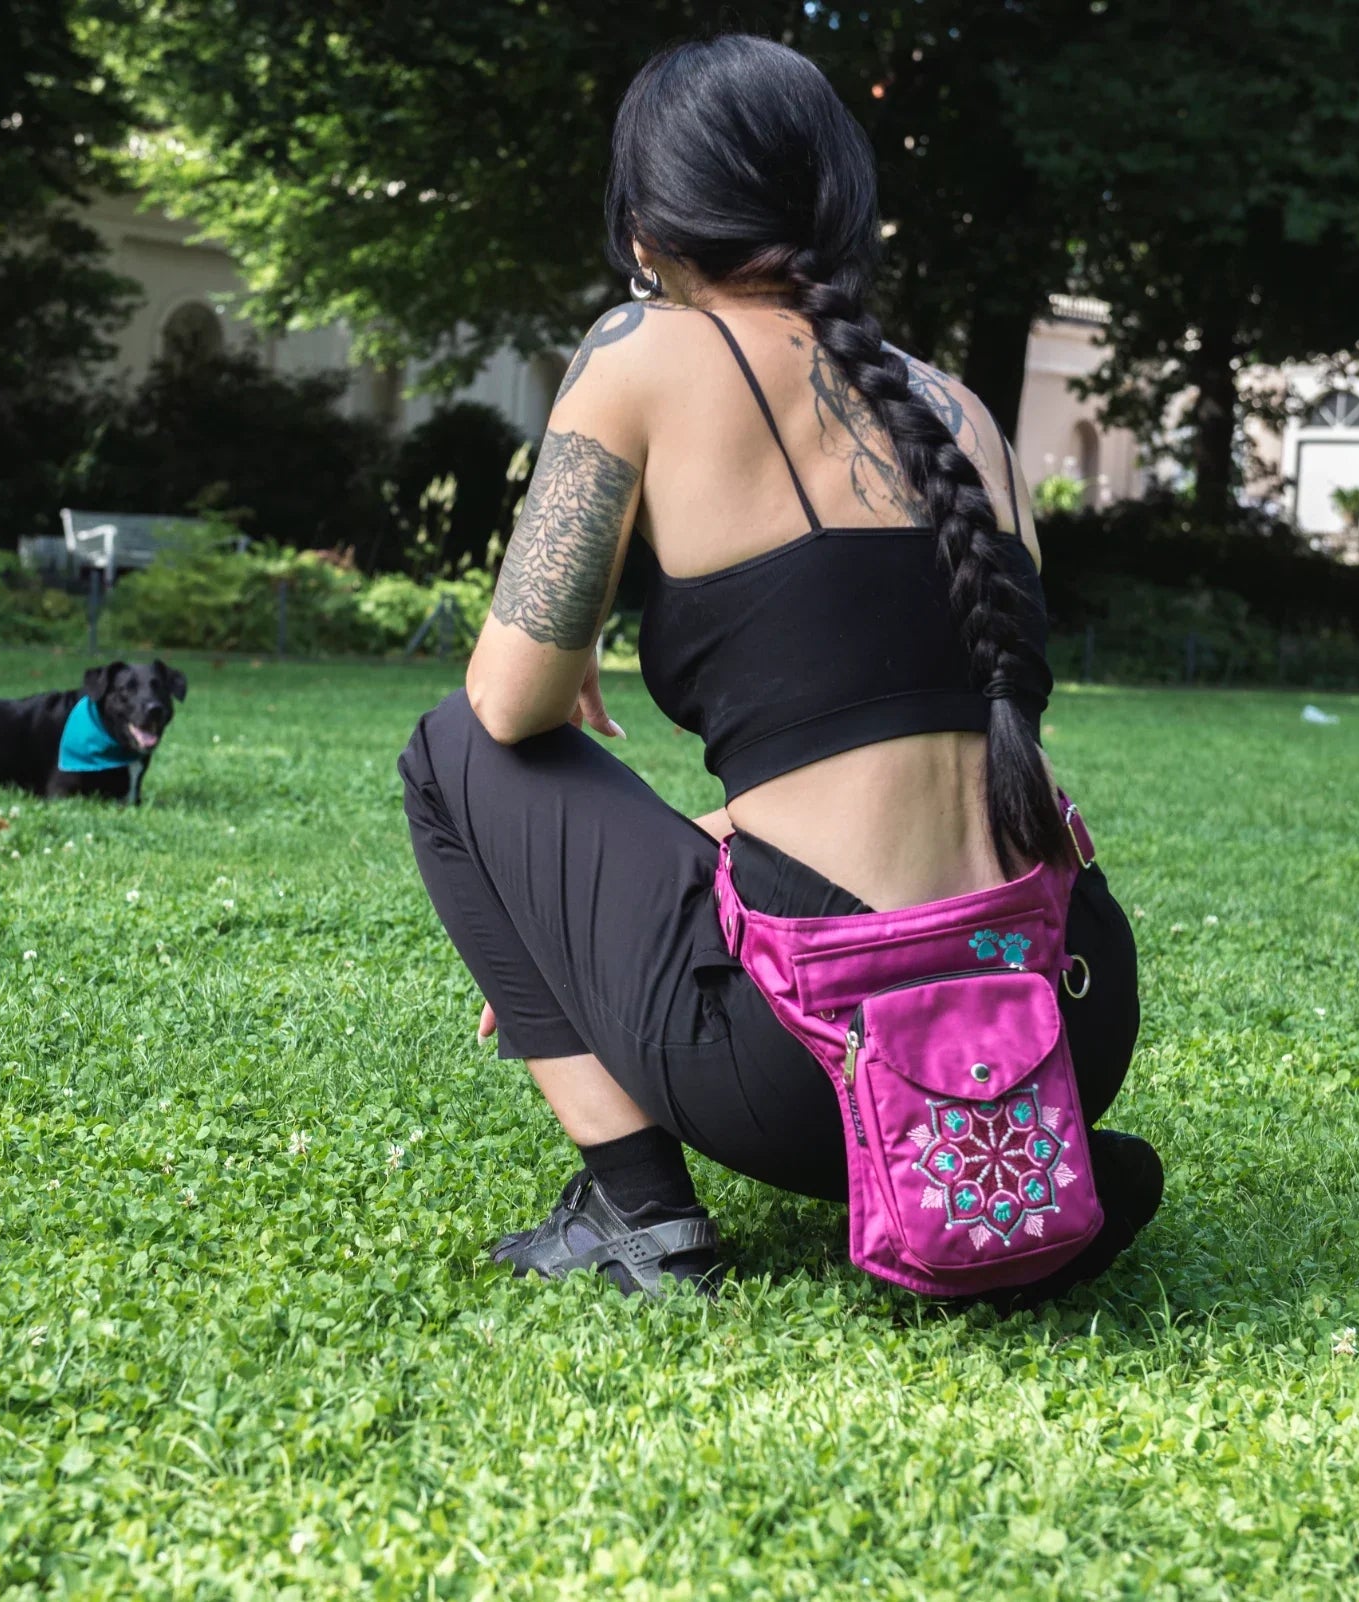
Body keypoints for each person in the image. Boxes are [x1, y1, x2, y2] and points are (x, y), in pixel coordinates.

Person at [399, 35, 1163, 1302]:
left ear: (647, 226)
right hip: (1066, 1018)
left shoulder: (641, 353)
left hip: (809, 1065)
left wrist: (577, 639)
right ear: (841, 210)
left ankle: (636, 1215)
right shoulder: (961, 413)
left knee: (449, 752)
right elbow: (899, 743)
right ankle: (1008, 1185)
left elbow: (506, 704)